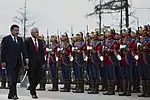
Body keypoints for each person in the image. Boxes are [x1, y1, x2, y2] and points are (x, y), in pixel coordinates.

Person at [1, 24, 28, 99]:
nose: (17, 32)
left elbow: (23, 50)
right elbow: (3, 51)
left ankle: (11, 94)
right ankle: (14, 94)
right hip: (9, 62)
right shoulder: (6, 39)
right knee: (11, 79)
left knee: (15, 80)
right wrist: (2, 61)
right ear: (11, 30)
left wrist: (26, 58)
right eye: (15, 30)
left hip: (17, 62)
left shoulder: (20, 39)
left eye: (18, 30)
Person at [24, 27, 45, 99]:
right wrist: (25, 62)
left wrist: (43, 62)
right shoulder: (27, 41)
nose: (37, 34)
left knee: (39, 76)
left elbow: (42, 52)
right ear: (32, 33)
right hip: (31, 62)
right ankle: (33, 93)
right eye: (36, 32)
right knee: (32, 77)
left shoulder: (40, 41)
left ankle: (32, 87)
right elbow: (25, 52)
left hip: (39, 62)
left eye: (38, 32)